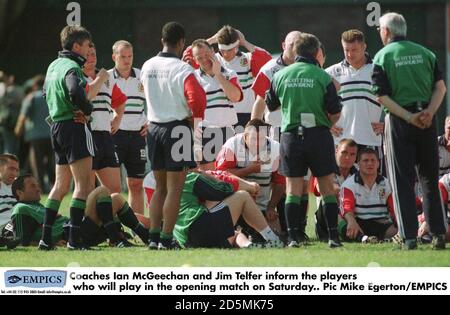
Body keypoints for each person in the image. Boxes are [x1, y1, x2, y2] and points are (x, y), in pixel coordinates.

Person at [372, 12, 447, 250]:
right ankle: (437, 235)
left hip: (400, 122)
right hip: (427, 121)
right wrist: (429, 113)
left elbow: (381, 95)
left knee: (403, 181)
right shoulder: (426, 53)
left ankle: (409, 238)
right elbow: (441, 87)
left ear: (386, 32)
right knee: (429, 179)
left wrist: (408, 117)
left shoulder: (382, 56)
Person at [265, 33, 342, 248]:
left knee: (293, 189)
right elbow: (335, 111)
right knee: (327, 186)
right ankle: (333, 237)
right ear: (316, 51)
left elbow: (270, 105)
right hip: (318, 135)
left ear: (296, 51)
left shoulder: (280, 75)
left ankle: (292, 238)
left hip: (290, 137)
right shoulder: (323, 76)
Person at [39, 25, 109, 250]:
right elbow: (75, 91)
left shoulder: (53, 66)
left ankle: (45, 239)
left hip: (56, 127)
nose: (89, 51)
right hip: (74, 127)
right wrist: (86, 111)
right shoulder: (72, 67)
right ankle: (73, 240)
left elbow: (44, 93)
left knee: (60, 185)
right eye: (87, 46)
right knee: (83, 185)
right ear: (76, 46)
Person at [140, 21, 206, 249]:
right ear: (181, 42)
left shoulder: (147, 65)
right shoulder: (183, 69)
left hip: (154, 128)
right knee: (175, 188)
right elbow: (197, 100)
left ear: (162, 40)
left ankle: (153, 237)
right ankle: (167, 240)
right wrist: (194, 122)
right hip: (176, 129)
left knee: (159, 187)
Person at [10, 174, 149, 248]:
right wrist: (52, 243)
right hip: (71, 234)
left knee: (117, 198)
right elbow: (23, 241)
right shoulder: (21, 209)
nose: (38, 188)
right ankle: (115, 238)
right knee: (102, 190)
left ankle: (144, 236)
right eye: (32, 186)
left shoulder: (38, 206)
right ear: (19, 192)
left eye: (37, 185)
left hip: (79, 230)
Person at [215, 119, 285, 241]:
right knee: (227, 238)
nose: (257, 144)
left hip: (262, 206)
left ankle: (292, 230)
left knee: (276, 238)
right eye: (253, 139)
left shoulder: (274, 148)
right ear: (245, 136)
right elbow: (220, 177)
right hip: (236, 206)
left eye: (262, 139)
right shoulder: (232, 146)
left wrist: (271, 206)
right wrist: (249, 170)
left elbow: (280, 183)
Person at [173, 170, 283, 248]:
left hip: (185, 241)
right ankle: (274, 239)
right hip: (200, 229)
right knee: (243, 196)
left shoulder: (167, 183)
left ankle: (248, 246)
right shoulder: (190, 177)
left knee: (234, 234)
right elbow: (223, 189)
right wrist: (250, 187)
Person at [326, 30, 383, 154]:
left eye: (354, 50)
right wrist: (326, 123)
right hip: (339, 143)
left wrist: (386, 124)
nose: (350, 54)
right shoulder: (330, 73)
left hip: (371, 141)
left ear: (364, 47)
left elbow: (395, 99)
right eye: (346, 50)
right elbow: (316, 103)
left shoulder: (379, 70)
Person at [189, 39, 242, 170]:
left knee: (228, 171)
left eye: (207, 55)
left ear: (213, 52)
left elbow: (235, 97)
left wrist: (218, 74)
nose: (204, 59)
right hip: (204, 131)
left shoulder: (229, 74)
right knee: (208, 174)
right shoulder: (192, 78)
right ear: (195, 60)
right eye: (199, 57)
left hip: (228, 130)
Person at [207, 25, 272, 130]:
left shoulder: (248, 59)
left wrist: (245, 42)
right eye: (222, 50)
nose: (225, 54)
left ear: (237, 46)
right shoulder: (212, 60)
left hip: (245, 115)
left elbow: (268, 61)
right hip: (220, 117)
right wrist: (211, 40)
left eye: (229, 50)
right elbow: (192, 55)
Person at [109, 40, 148, 214]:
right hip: (114, 135)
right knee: (113, 186)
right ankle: (114, 231)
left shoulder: (143, 75)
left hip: (138, 135)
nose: (127, 60)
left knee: (136, 183)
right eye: (122, 56)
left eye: (130, 56)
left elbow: (156, 100)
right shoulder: (106, 77)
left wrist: (151, 122)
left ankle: (137, 228)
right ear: (114, 57)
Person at [83, 43, 126, 193]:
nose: (91, 58)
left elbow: (120, 101)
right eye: (87, 54)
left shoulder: (109, 80)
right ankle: (85, 217)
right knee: (86, 189)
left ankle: (108, 217)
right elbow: (89, 95)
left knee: (114, 190)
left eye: (93, 54)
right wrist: (101, 76)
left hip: (105, 137)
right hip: (86, 136)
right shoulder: (76, 75)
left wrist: (117, 119)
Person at [339, 148, 397, 243]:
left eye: (373, 160)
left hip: (381, 223)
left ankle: (382, 239)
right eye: (365, 161)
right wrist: (351, 221)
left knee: (401, 228)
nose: (370, 163)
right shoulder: (349, 184)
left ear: (378, 164)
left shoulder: (388, 184)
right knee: (339, 218)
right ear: (358, 164)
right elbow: (346, 207)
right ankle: (362, 238)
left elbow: (395, 208)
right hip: (358, 223)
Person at [14, 75, 55, 193]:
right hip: (52, 134)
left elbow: (23, 117)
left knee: (37, 164)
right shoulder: (50, 96)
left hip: (35, 137)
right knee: (52, 162)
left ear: (34, 85)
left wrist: (17, 131)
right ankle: (55, 185)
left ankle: (41, 188)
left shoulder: (30, 97)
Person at [313, 138, 358, 241]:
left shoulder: (359, 171)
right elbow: (320, 188)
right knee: (328, 198)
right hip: (325, 221)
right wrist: (344, 193)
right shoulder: (325, 167)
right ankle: (348, 233)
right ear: (336, 151)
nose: (347, 157)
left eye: (352, 154)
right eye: (344, 152)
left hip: (352, 214)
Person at [0, 154, 19, 248]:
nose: (14, 173)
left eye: (16, 170)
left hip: (20, 225)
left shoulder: (19, 185)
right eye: (11, 169)